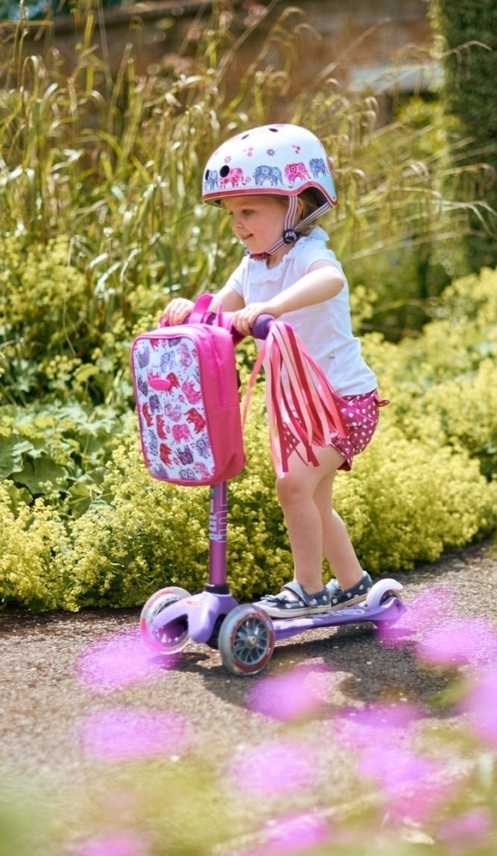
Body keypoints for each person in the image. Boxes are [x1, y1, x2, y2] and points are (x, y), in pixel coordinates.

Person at [162, 124, 385, 618]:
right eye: (231, 214)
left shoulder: (309, 255)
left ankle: (309, 588)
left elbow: (330, 280)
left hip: (346, 402)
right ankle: (352, 583)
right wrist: (189, 310)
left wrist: (275, 307)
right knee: (315, 500)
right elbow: (218, 310)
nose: (237, 224)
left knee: (293, 486)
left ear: (294, 206)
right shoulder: (252, 266)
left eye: (248, 211)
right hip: (304, 407)